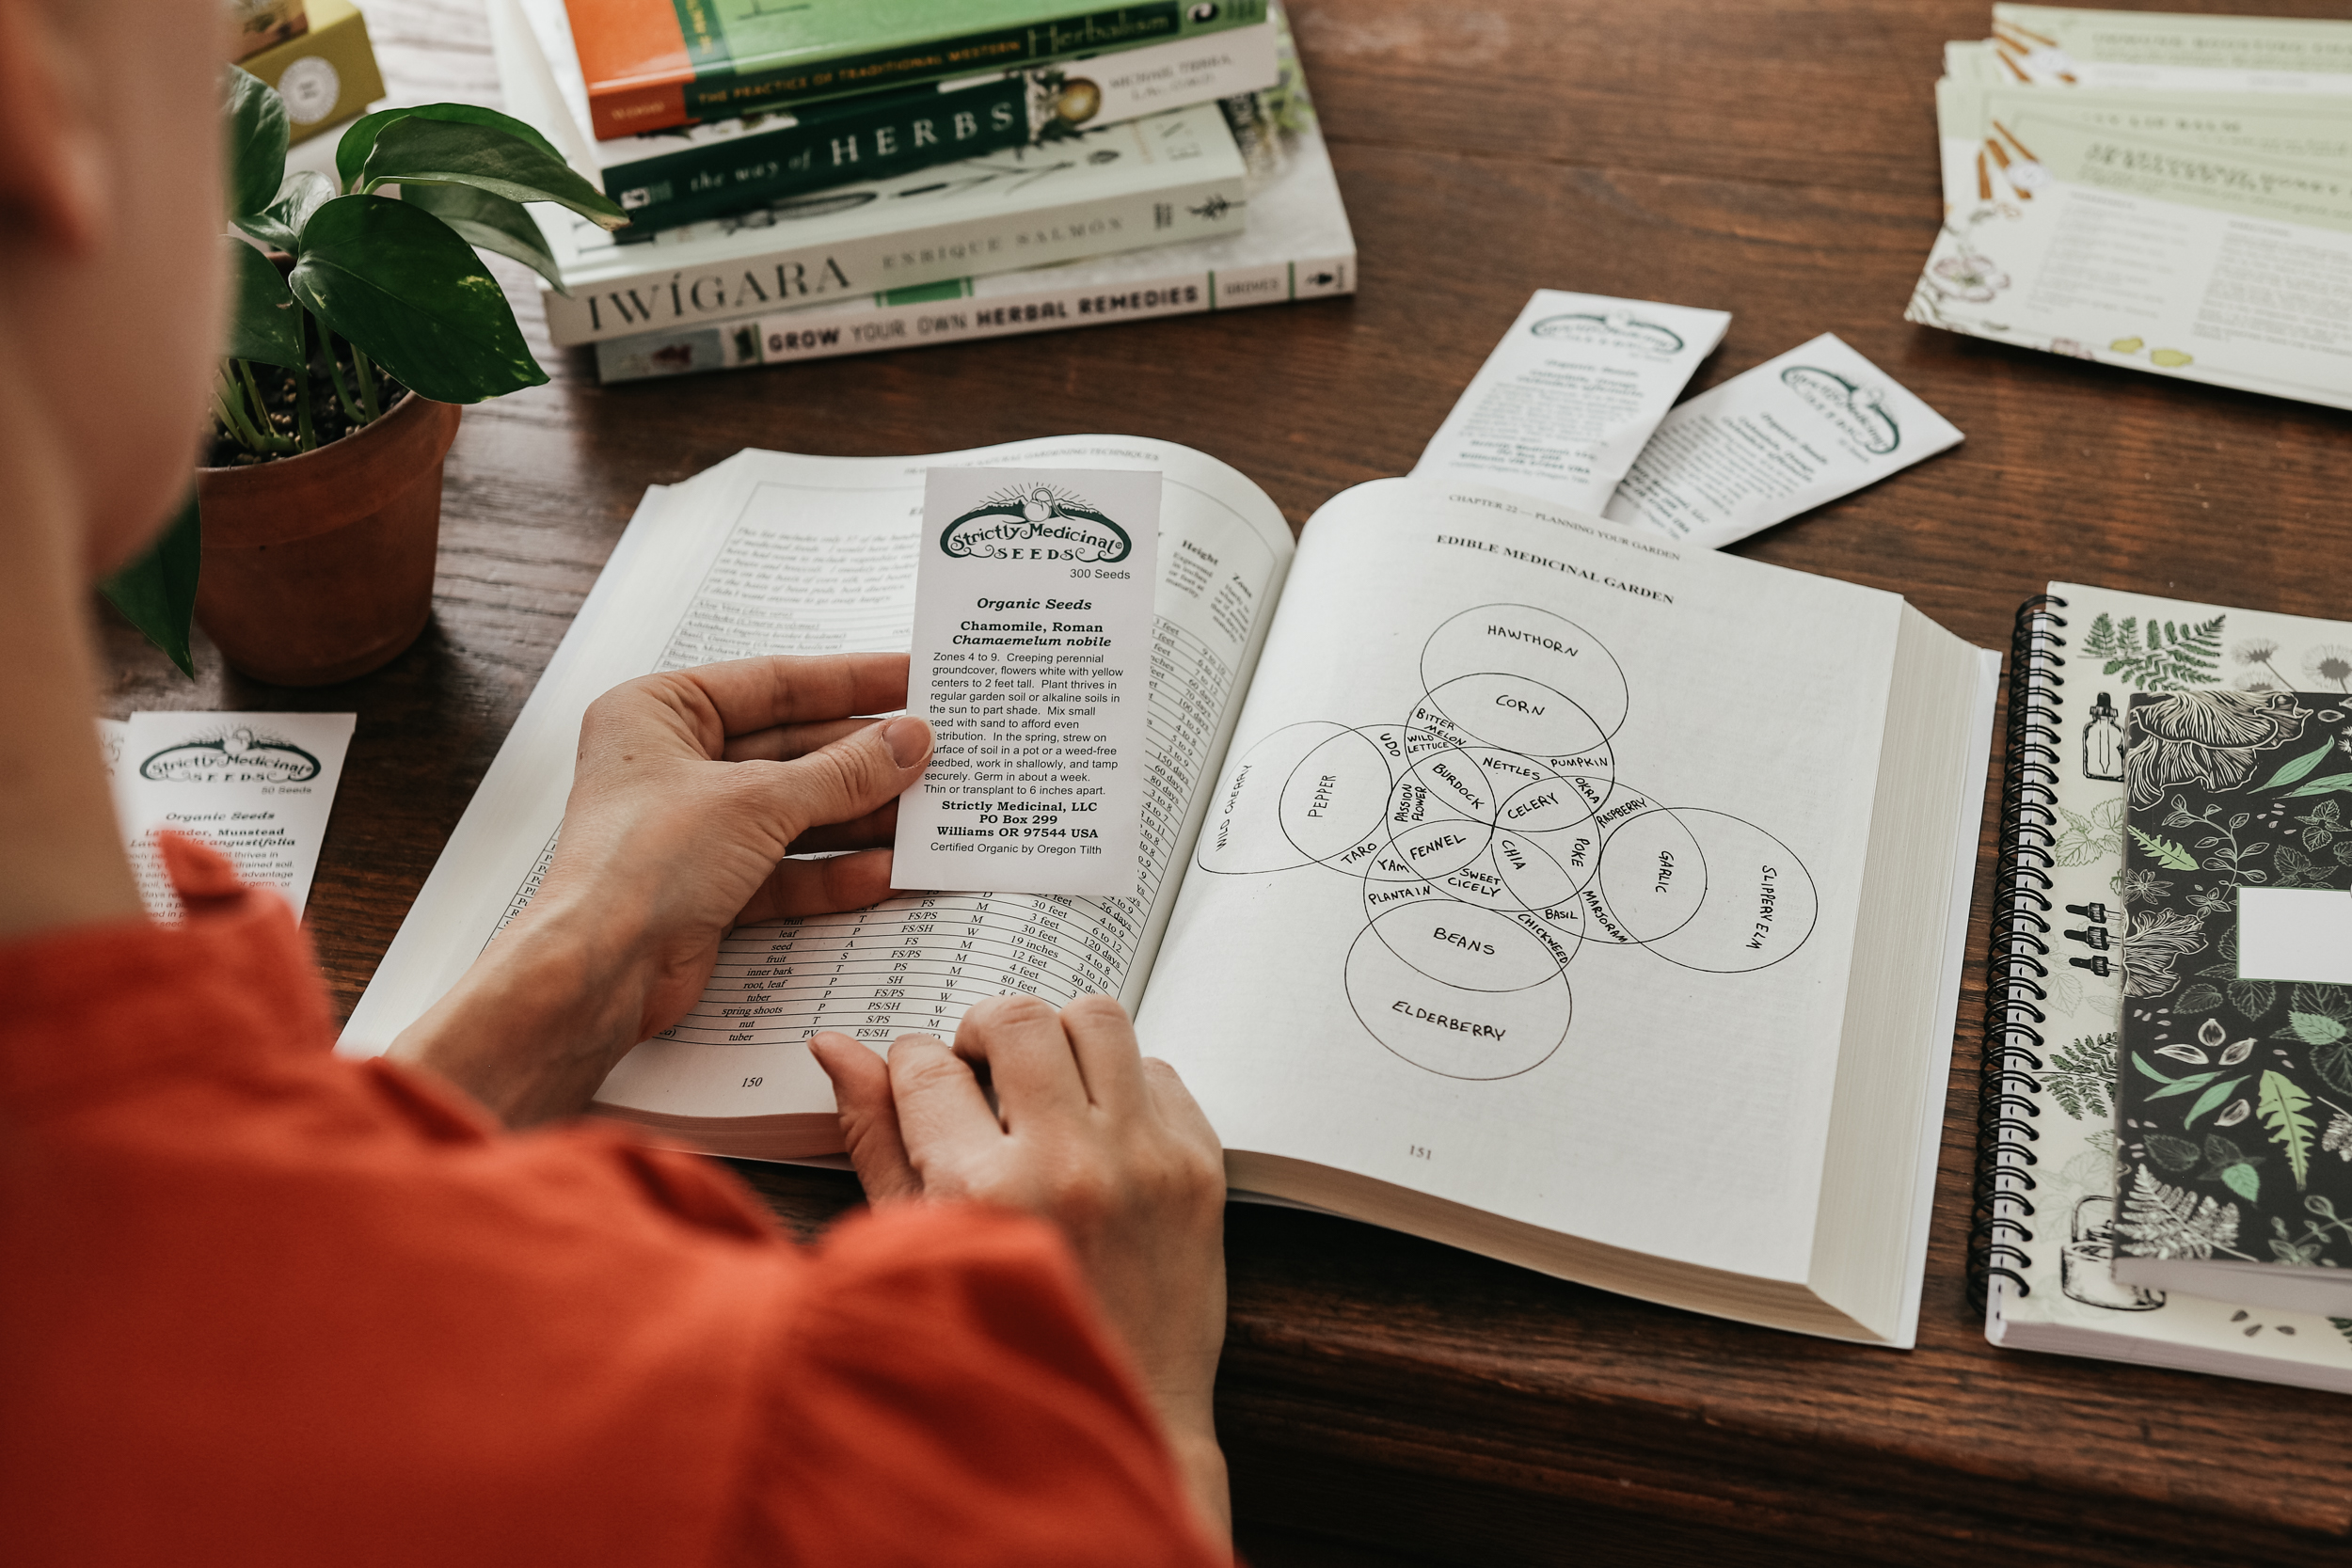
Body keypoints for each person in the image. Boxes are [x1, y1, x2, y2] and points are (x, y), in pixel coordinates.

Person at [0, 2, 1232, 1562]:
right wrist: (1118, 1416)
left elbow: (182, 1307)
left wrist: (572, 965)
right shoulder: (762, 1455)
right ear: (36, 112)